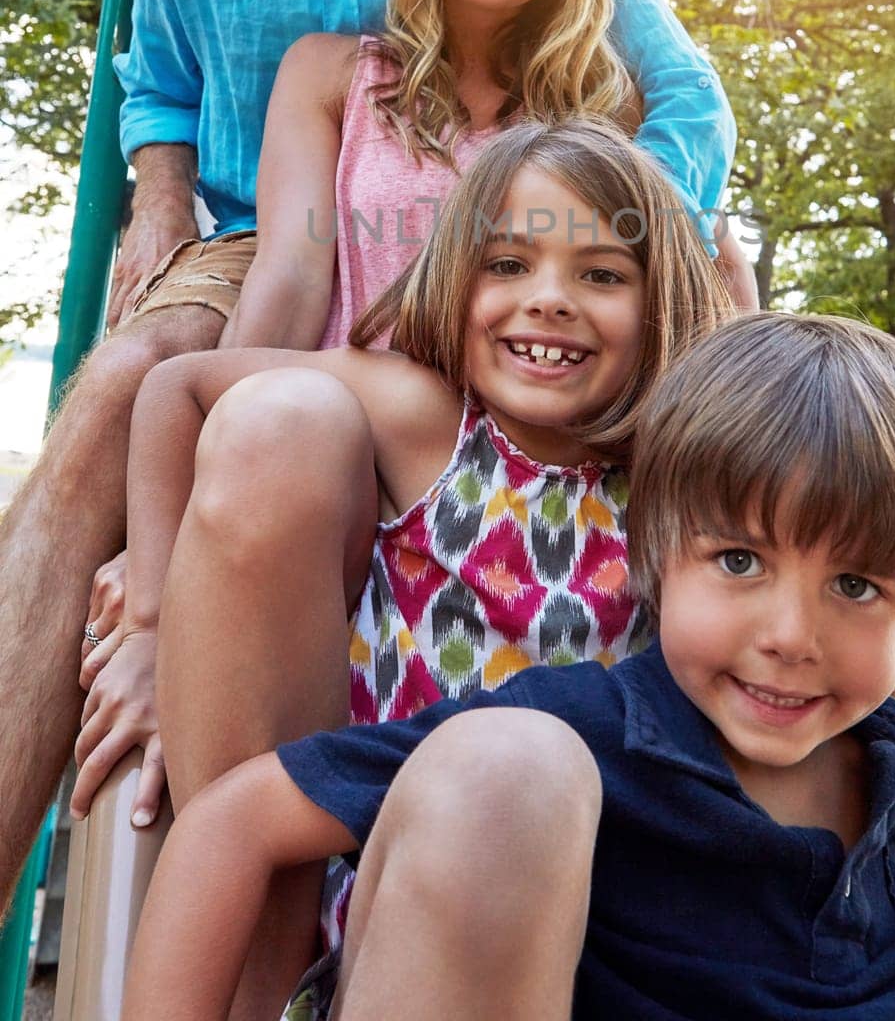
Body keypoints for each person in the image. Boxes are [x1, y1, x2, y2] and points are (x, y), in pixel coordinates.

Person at [0, 0, 739, 905]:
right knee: (124, 381)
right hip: (255, 223)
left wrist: (600, 232)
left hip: (500, 239)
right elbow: (164, 95)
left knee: (708, 324)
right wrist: (158, 194)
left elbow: (681, 104)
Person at [122, 313, 895, 1021]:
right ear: (654, 563)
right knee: (504, 770)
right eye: (739, 563)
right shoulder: (590, 730)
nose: (790, 634)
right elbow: (233, 821)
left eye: (855, 586)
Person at [86, 120, 730, 1017]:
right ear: (455, 280)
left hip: (598, 897)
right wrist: (152, 624)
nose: (548, 300)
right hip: (406, 879)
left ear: (662, 304)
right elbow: (177, 389)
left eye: (602, 275)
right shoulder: (428, 423)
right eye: (507, 266)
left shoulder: (676, 478)